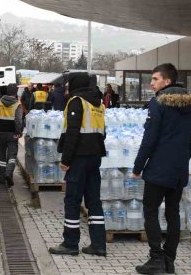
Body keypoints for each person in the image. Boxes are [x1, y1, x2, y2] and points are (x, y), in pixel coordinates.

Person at [132, 63, 191, 275]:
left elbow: (149, 139)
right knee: (173, 213)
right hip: (178, 170)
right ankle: (169, 260)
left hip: (158, 169)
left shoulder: (158, 103)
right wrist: (180, 160)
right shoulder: (190, 105)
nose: (151, 84)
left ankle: (156, 259)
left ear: (167, 81)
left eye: (155, 79)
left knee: (150, 211)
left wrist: (138, 166)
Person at [49, 72, 107, 257]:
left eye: (68, 84)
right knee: (94, 201)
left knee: (72, 200)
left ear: (75, 84)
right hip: (95, 157)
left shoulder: (76, 101)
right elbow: (103, 132)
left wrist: (66, 160)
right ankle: (98, 244)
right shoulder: (98, 103)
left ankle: (70, 243)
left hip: (79, 158)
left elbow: (72, 132)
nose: (66, 87)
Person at [0, 83, 23, 186]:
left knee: (1, 155)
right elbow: (18, 121)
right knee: (12, 155)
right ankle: (8, 173)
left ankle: (2, 177)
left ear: (7, 91)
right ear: (15, 93)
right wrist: (18, 132)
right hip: (12, 135)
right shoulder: (17, 104)